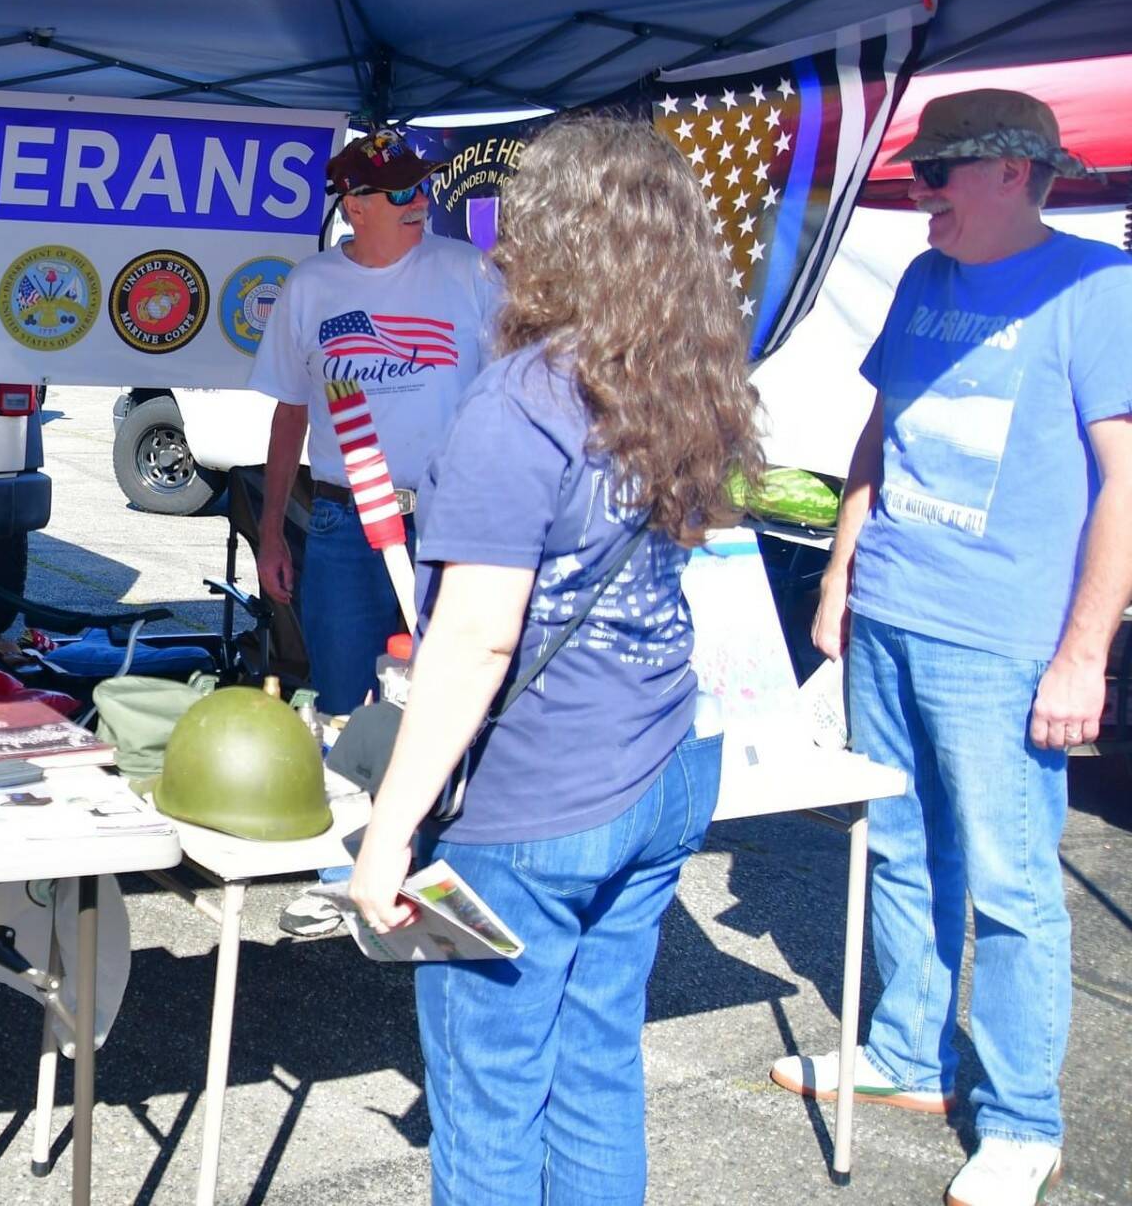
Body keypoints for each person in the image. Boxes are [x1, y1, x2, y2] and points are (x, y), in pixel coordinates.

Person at [348, 114, 761, 1205]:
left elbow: (478, 638)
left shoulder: (520, 399)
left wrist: (386, 835)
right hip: (663, 763)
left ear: (561, 241)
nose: (497, 248)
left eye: (516, 224)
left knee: (490, 1095)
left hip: (537, 801)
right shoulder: (683, 375)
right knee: (595, 1068)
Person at [768, 89, 1132, 1206]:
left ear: (1016, 172)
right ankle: (907, 1055)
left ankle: (1024, 1118)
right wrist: (839, 571)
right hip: (890, 611)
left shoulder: (1097, 290)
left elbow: (1125, 483)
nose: (917, 195)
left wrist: (1084, 654)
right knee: (901, 849)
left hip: (1004, 641)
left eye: (938, 177)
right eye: (915, 177)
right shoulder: (928, 277)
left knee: (1014, 885)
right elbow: (880, 430)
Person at [249, 125, 504, 936]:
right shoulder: (312, 286)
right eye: (398, 190)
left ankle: (440, 857)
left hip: (450, 516)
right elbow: (290, 411)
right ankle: (340, 868)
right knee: (342, 699)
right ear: (353, 204)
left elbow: (516, 392)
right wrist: (268, 533)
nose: (418, 200)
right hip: (340, 513)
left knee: (451, 684)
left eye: (421, 185)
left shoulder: (471, 273)